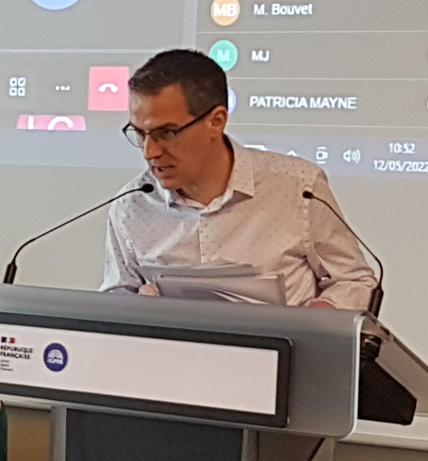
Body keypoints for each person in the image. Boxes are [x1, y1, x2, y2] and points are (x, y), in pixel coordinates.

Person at [101, 49, 377, 309]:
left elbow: (353, 280)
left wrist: (316, 320)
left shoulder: (299, 187)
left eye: (167, 133)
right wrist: (136, 308)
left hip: (284, 344)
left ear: (216, 121)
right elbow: (117, 296)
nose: (150, 151)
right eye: (140, 133)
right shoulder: (131, 206)